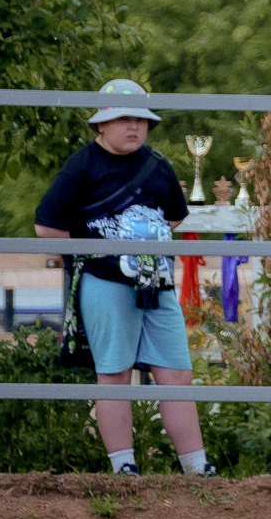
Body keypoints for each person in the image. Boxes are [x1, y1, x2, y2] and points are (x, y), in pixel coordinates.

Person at [34, 80, 215, 476]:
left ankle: (198, 469)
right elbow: (47, 226)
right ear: (102, 124)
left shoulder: (158, 165)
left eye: (140, 119)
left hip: (156, 282)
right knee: (114, 372)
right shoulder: (81, 165)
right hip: (105, 282)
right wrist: (95, 255)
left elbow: (174, 215)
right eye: (122, 119)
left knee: (176, 373)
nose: (133, 127)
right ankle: (124, 468)